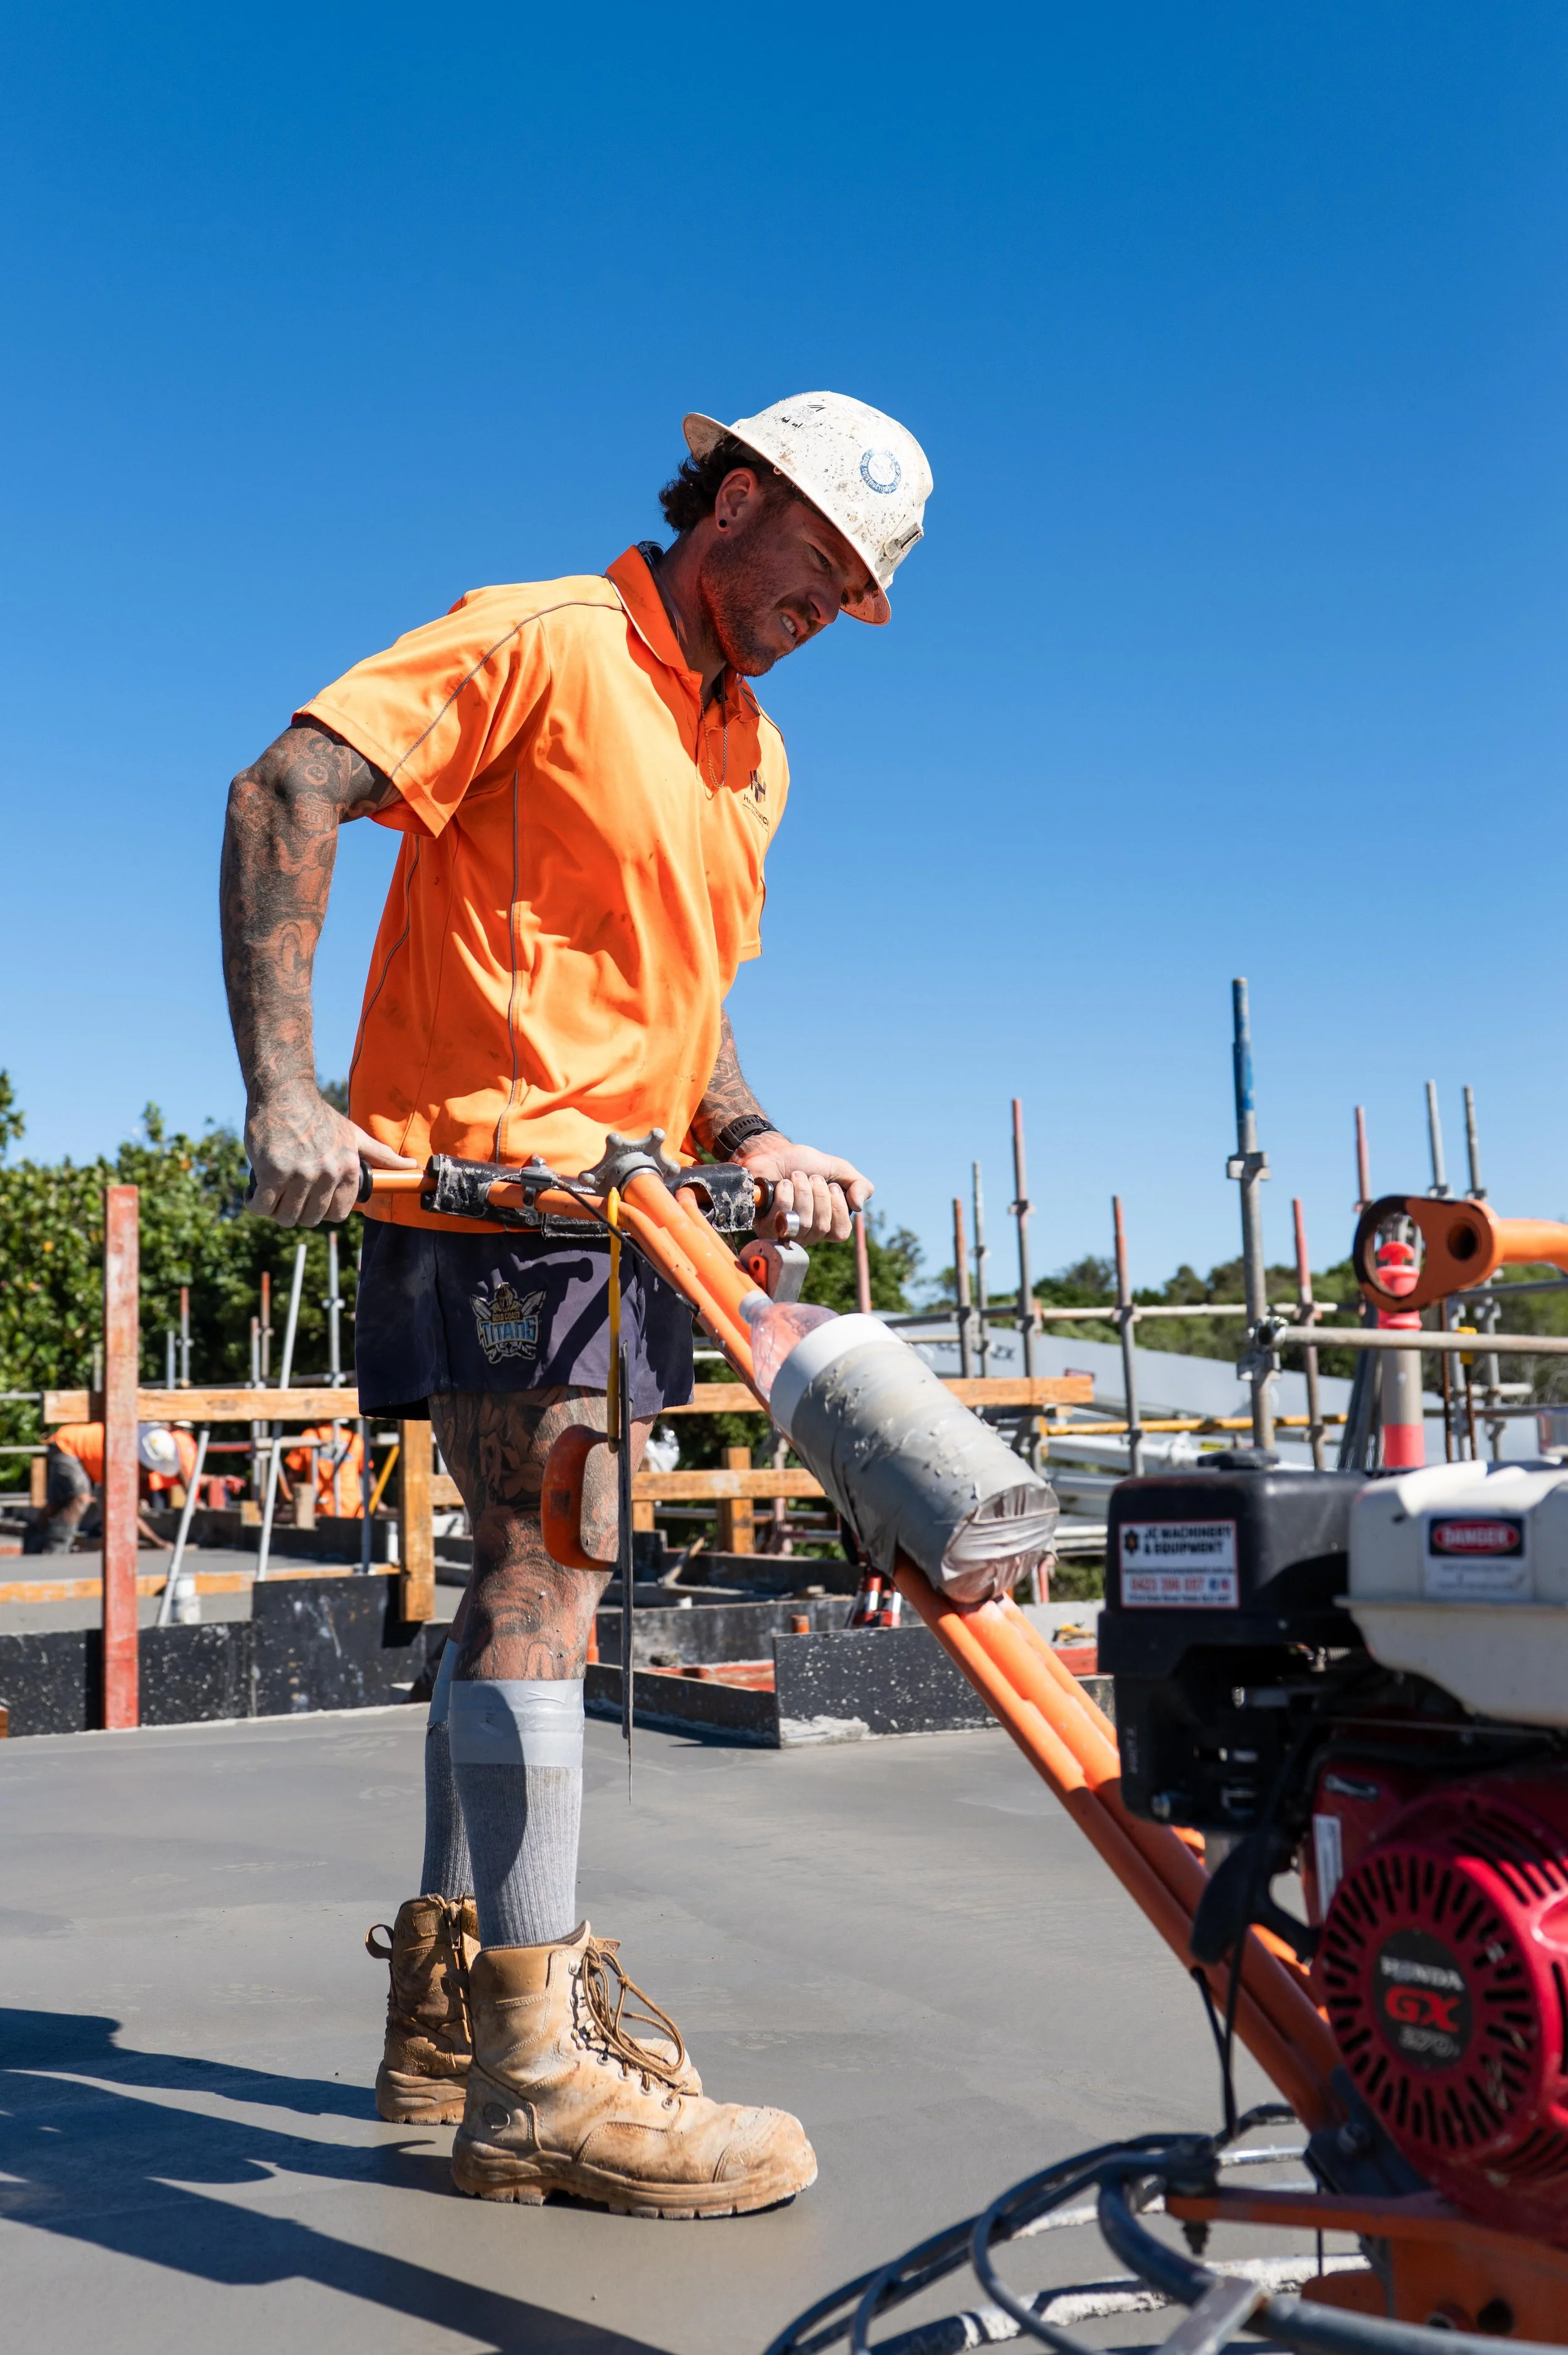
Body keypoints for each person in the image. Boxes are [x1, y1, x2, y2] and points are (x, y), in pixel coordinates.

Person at [221, 391, 931, 2217]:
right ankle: (534, 2077)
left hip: (631, 1222)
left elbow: (681, 1005)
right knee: (558, 1560)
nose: (823, 613)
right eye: (820, 567)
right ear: (739, 498)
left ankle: (453, 2010)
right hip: (496, 1199)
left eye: (857, 596)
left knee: (515, 1584)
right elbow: (288, 784)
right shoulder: (543, 641)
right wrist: (285, 1092)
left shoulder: (747, 752)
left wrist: (756, 1132)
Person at [28, 1422, 196, 1553]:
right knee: (81, 1499)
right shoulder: (122, 1461)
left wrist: (192, 1495)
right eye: (149, 1470)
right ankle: (56, 1553)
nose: (149, 1474)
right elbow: (125, 1512)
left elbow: (178, 1468)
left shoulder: (144, 1442)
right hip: (66, 1446)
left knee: (57, 1505)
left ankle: (32, 1541)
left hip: (78, 1450)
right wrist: (158, 1543)